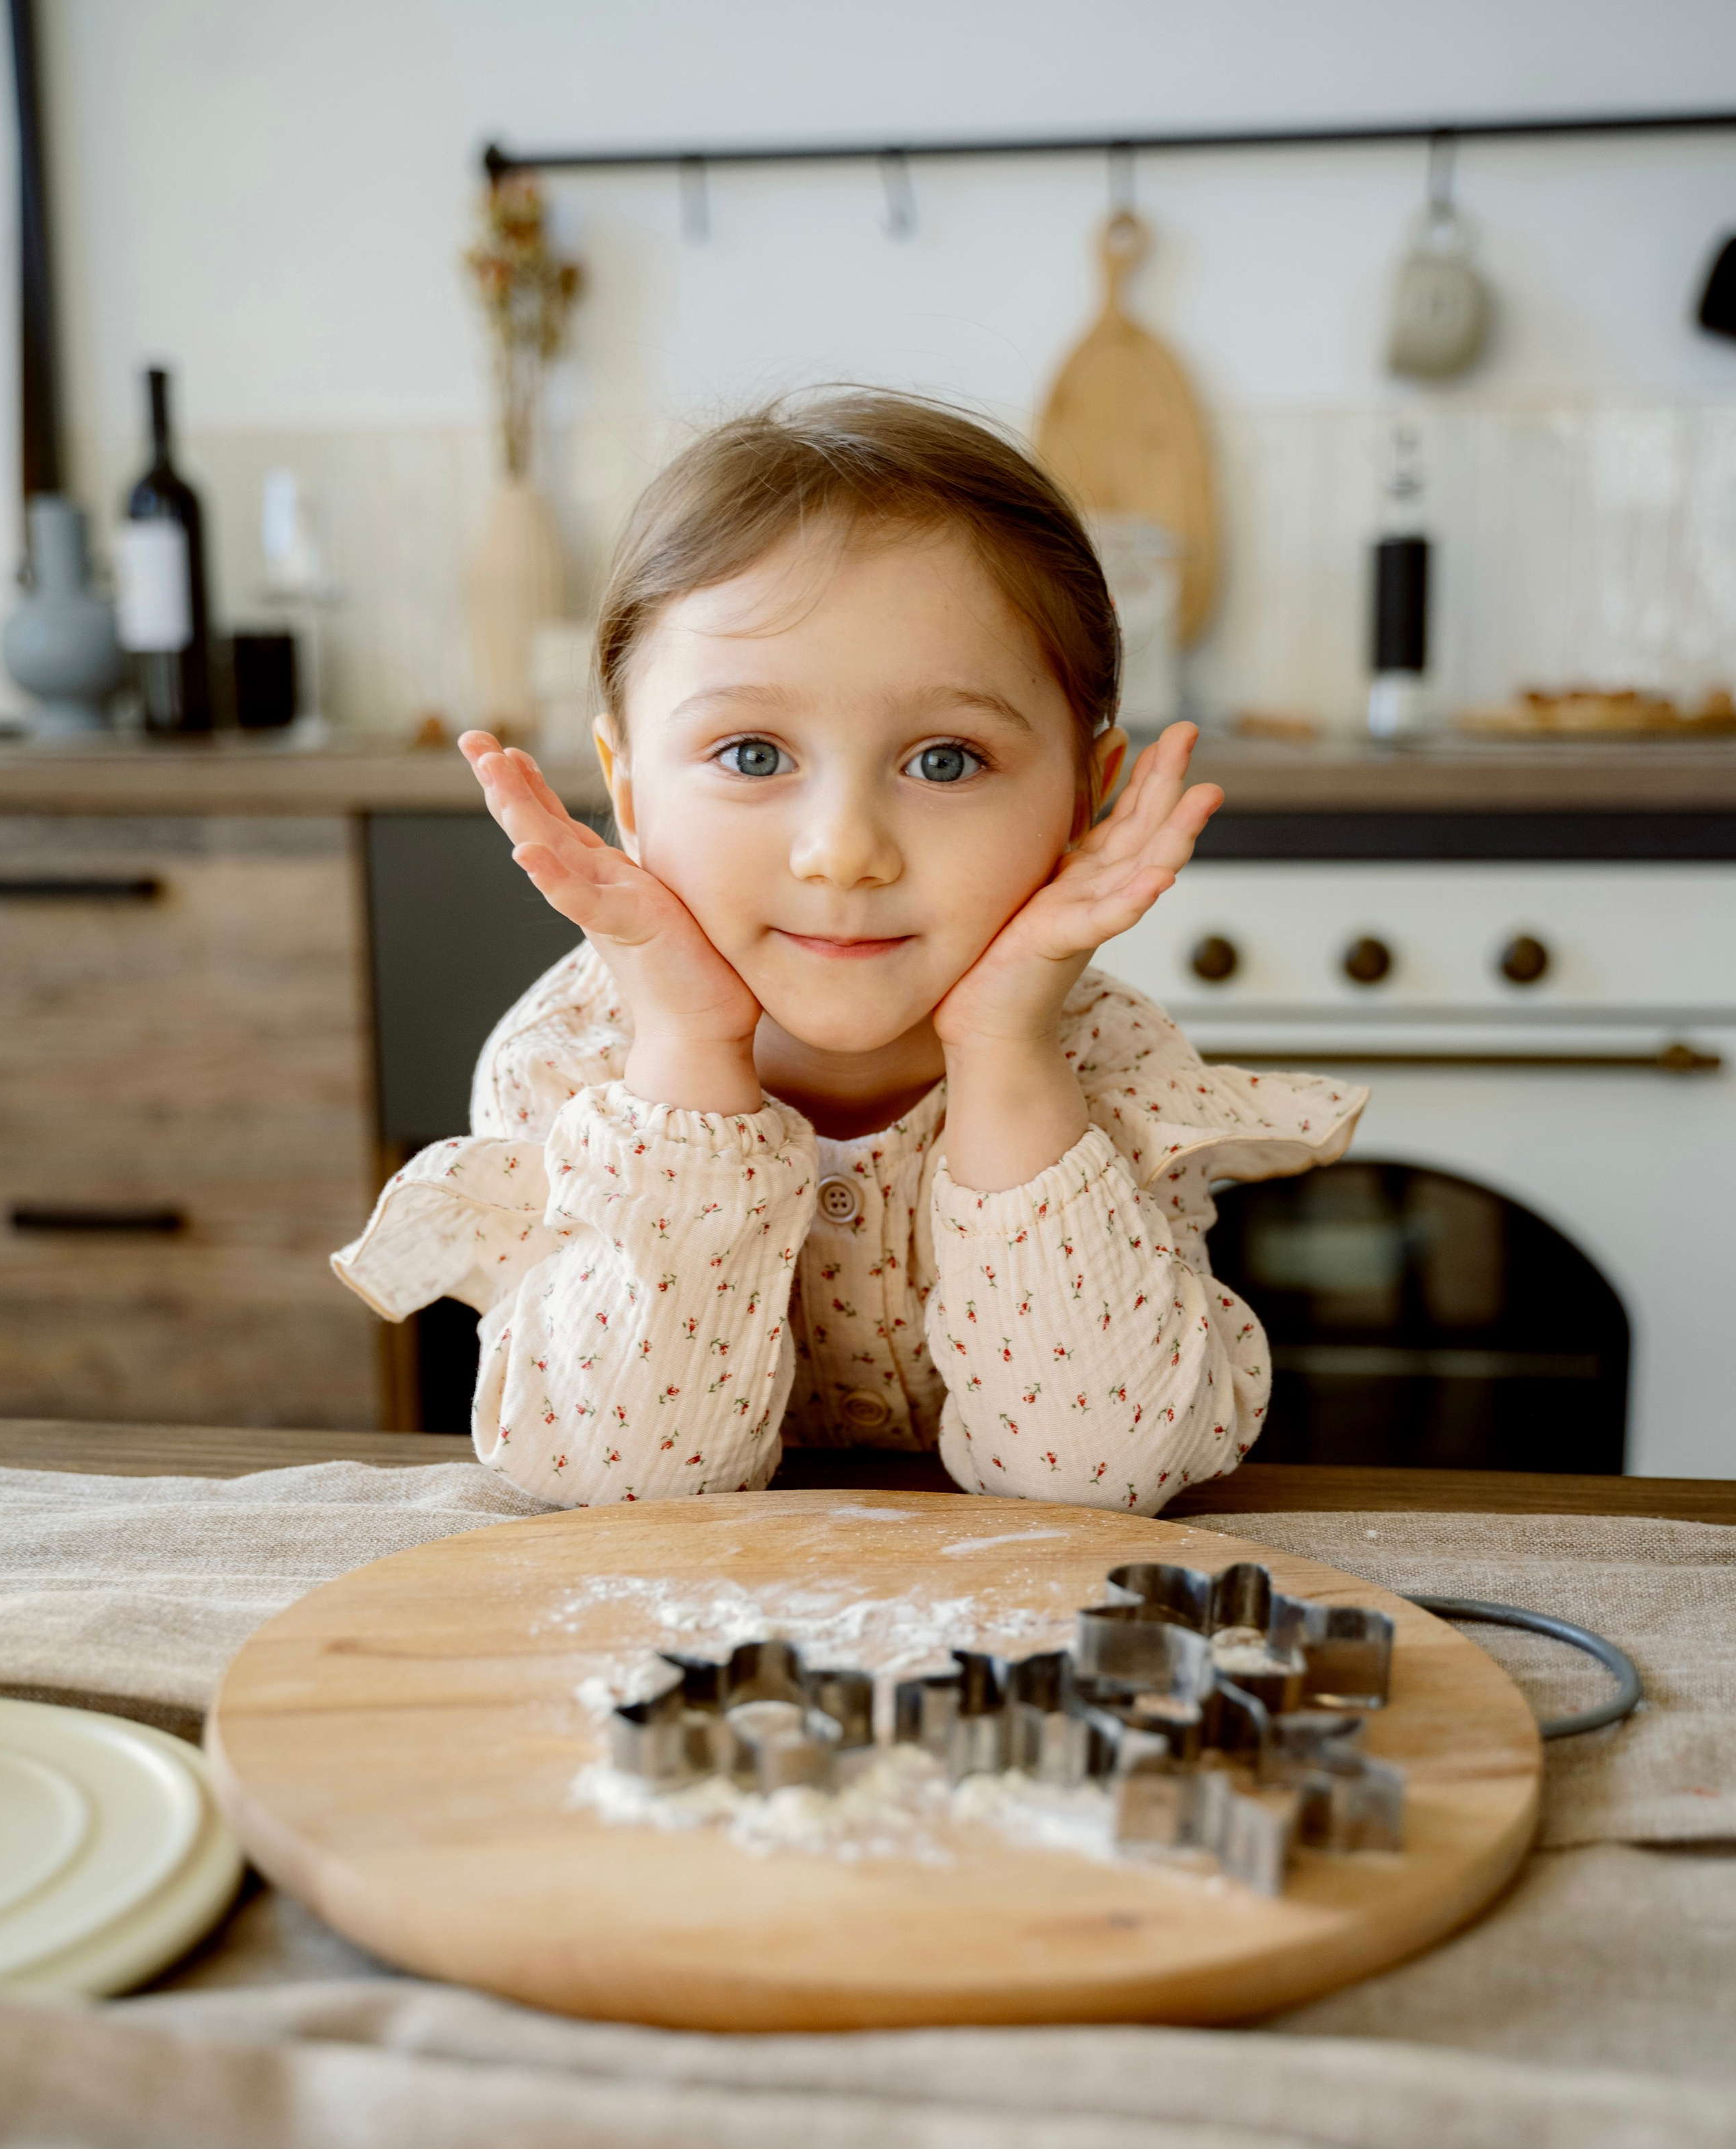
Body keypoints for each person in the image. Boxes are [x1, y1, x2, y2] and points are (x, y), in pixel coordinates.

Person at [334, 393, 1364, 1510]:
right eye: (752, 751)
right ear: (628, 790)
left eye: (945, 762)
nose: (844, 852)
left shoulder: (1104, 1059)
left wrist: (1006, 1051)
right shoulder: (569, 1061)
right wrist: (689, 1051)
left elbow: (1096, 1481)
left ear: (1086, 797)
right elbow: (619, 1487)